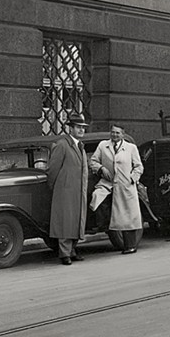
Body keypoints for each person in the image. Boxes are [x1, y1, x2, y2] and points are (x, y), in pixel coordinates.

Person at [90, 124, 144, 254]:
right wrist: (101, 169)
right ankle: (103, 225)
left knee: (128, 216)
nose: (114, 135)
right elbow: (93, 161)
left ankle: (130, 245)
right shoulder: (103, 146)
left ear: (123, 135)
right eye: (113, 132)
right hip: (107, 183)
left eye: (118, 133)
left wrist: (132, 178)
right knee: (97, 198)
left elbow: (139, 166)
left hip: (126, 186)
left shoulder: (130, 148)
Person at [46, 113, 89, 265]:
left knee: (75, 221)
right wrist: (56, 187)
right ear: (70, 128)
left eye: (83, 128)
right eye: (78, 127)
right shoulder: (62, 144)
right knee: (65, 221)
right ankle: (64, 253)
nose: (81, 131)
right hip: (65, 190)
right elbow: (53, 169)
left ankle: (72, 250)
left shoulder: (80, 146)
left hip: (78, 191)